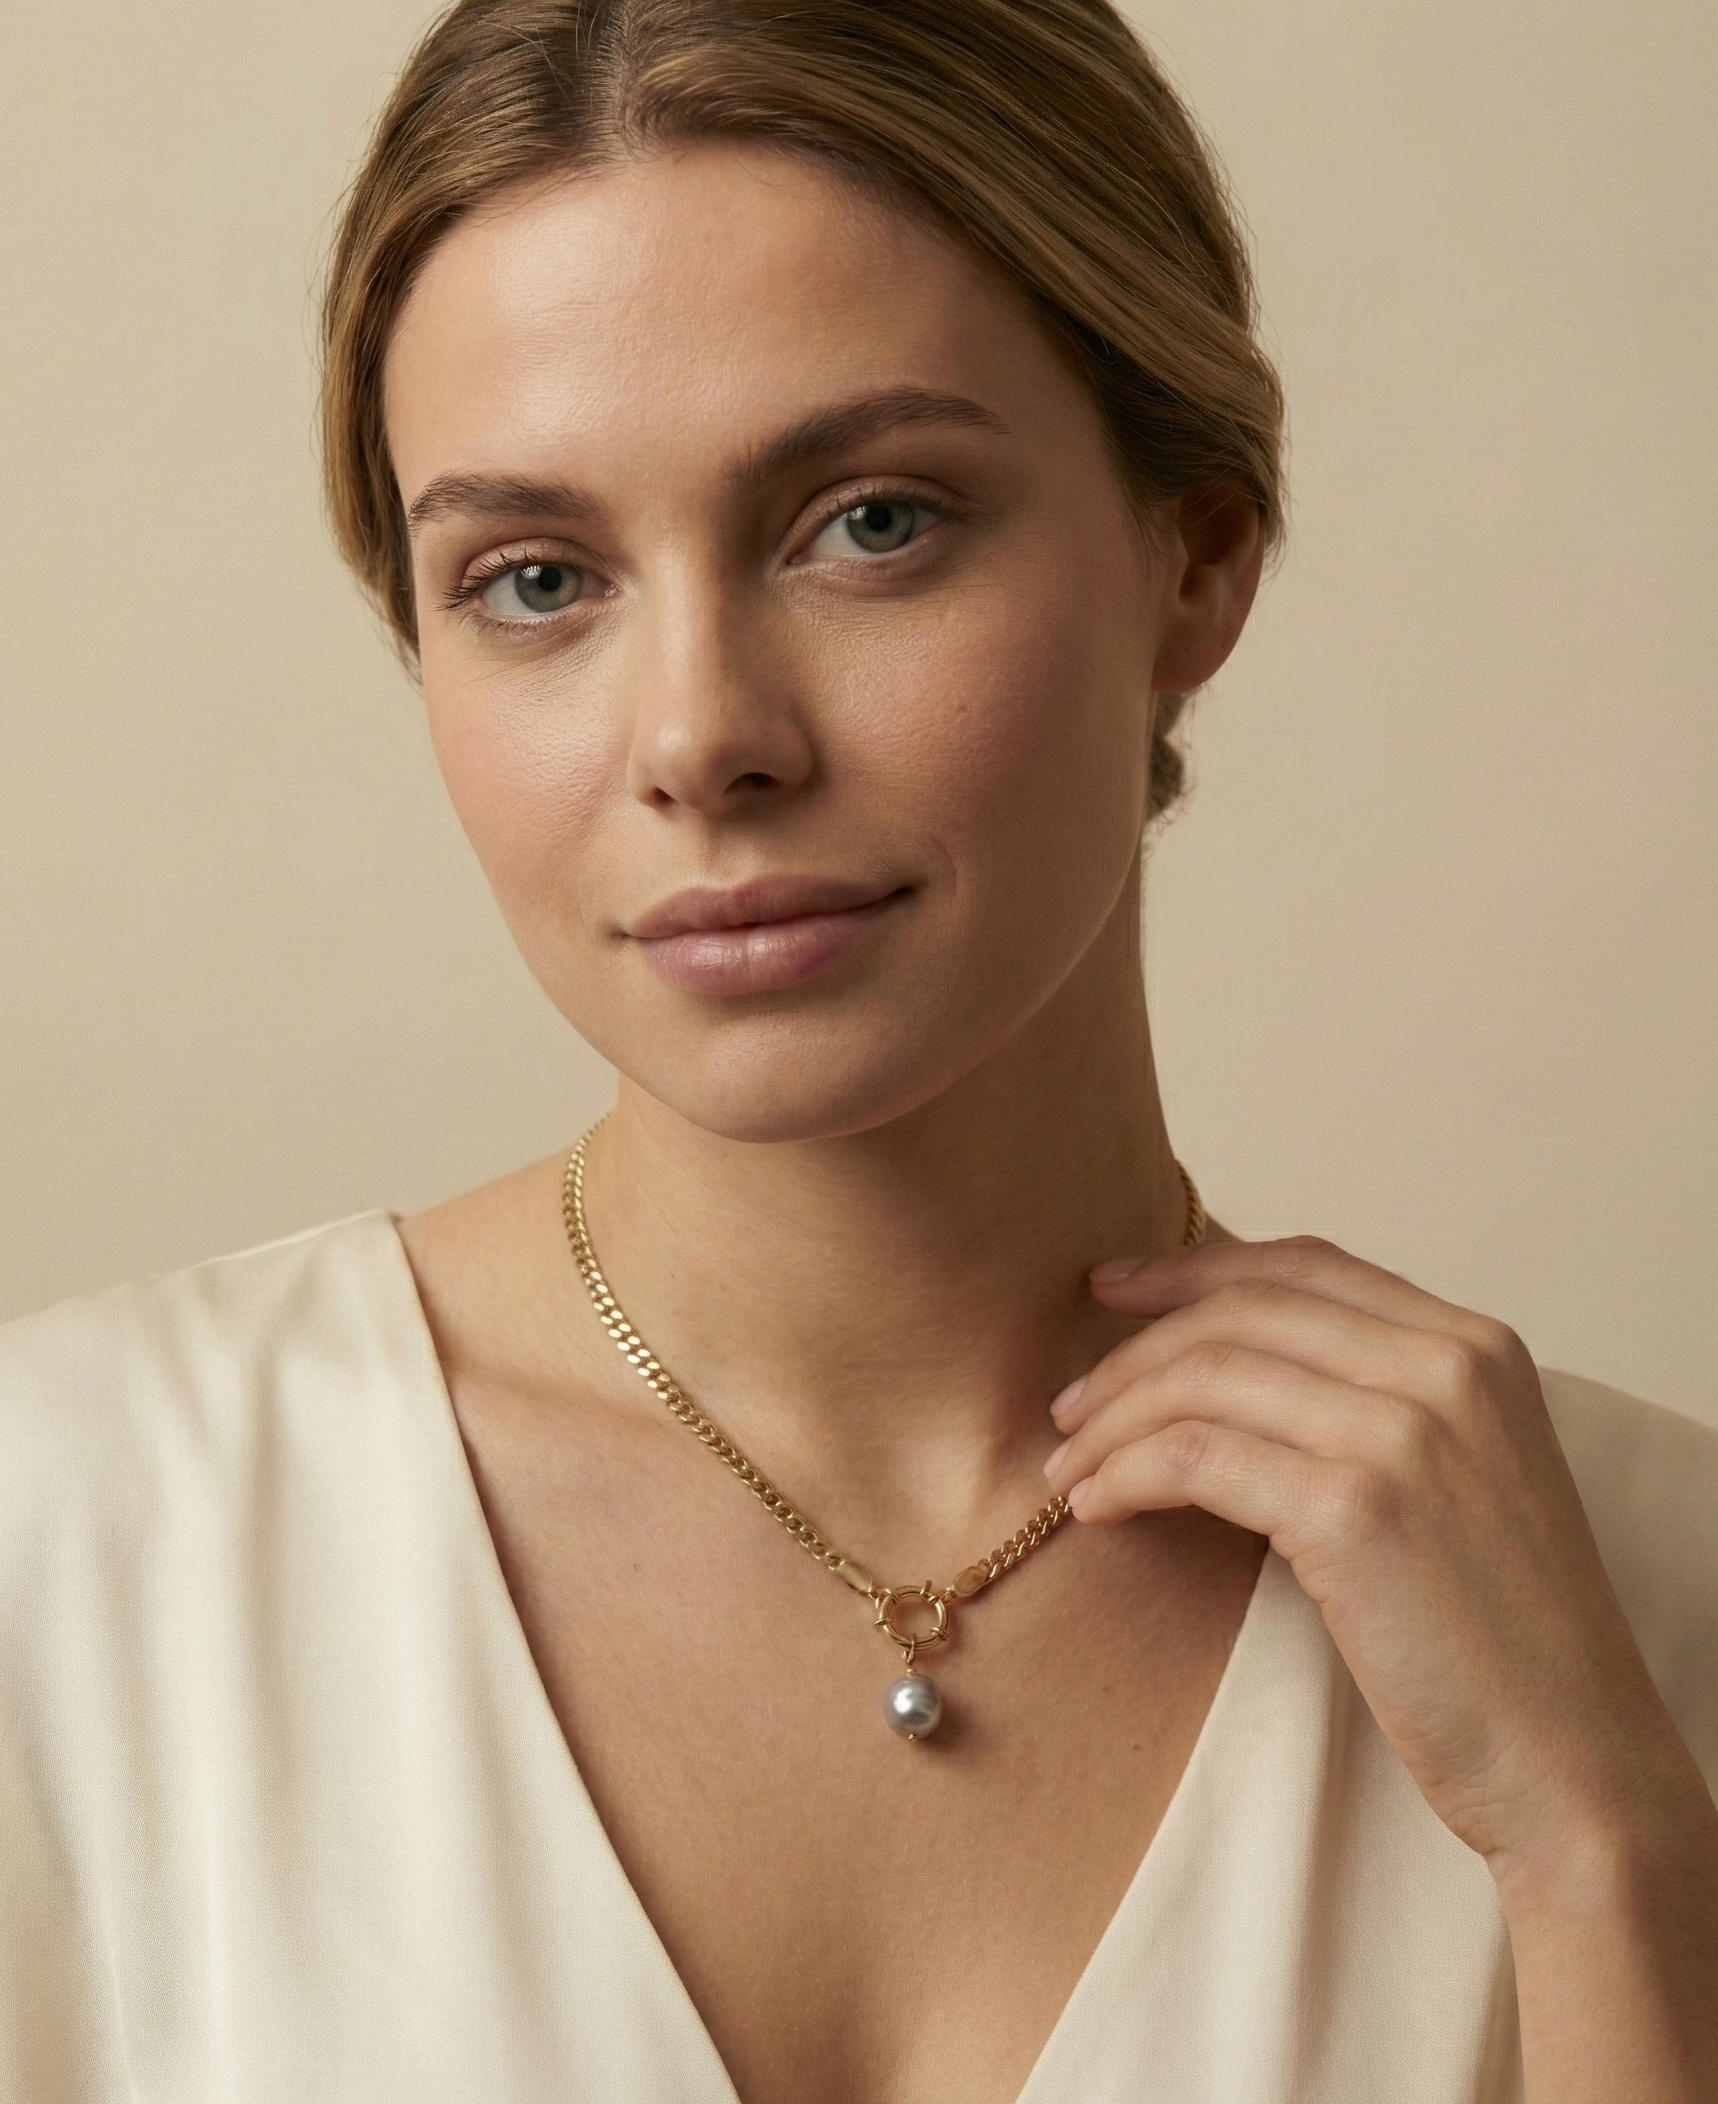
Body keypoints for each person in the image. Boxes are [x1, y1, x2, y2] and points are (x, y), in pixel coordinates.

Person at [1, 1, 1714, 2098]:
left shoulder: (1646, 1608)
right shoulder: (68, 1545)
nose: (701, 734)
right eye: (535, 577)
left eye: (871, 521)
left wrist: (1610, 1853)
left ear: (1195, 556)